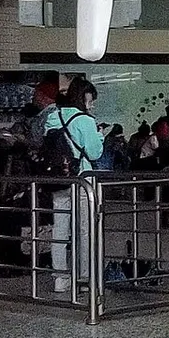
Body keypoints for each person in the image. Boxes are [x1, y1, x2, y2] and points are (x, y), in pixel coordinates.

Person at [44, 77, 103, 294]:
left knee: (59, 229)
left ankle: (60, 278)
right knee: (84, 230)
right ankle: (84, 277)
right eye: (90, 100)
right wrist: (100, 136)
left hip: (59, 179)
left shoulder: (54, 117)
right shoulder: (85, 121)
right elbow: (95, 153)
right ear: (83, 98)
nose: (92, 105)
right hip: (82, 179)